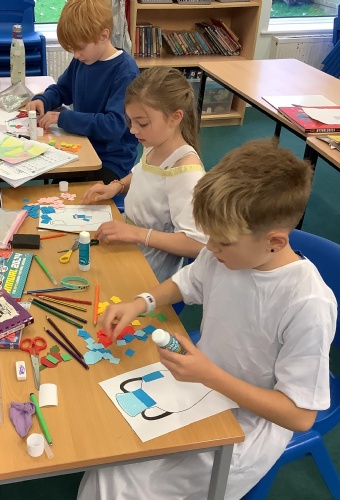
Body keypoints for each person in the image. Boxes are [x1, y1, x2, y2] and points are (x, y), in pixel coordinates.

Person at [77, 139, 337, 500]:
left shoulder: (307, 304)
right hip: (200, 382)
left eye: (222, 243)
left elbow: (299, 416)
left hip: (249, 422)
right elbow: (187, 283)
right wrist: (140, 302)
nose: (210, 248)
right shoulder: (225, 253)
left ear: (275, 242)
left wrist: (210, 375)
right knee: (112, 452)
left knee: (125, 487)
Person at [81, 67, 208, 282]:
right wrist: (117, 186)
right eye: (131, 121)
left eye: (142, 123)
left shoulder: (186, 172)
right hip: (130, 246)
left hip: (149, 272)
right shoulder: (155, 145)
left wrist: (137, 234)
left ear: (175, 117)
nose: (133, 130)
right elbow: (144, 174)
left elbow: (197, 243)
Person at [25, 0, 139, 184]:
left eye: (80, 48)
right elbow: (62, 89)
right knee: (55, 184)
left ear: (103, 36)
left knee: (75, 194)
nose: (76, 55)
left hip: (110, 160)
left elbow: (113, 125)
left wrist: (63, 118)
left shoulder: (125, 72)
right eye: (73, 49)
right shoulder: (83, 60)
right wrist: (44, 100)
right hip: (82, 144)